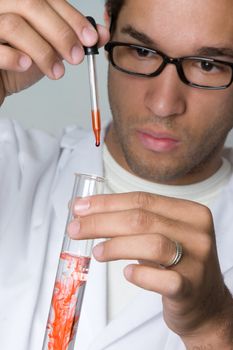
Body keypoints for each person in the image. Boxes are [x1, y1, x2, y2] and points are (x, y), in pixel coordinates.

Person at [0, 0, 233, 349]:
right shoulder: (13, 165)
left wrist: (214, 329)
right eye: (141, 50)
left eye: (207, 64)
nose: (163, 104)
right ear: (106, 26)